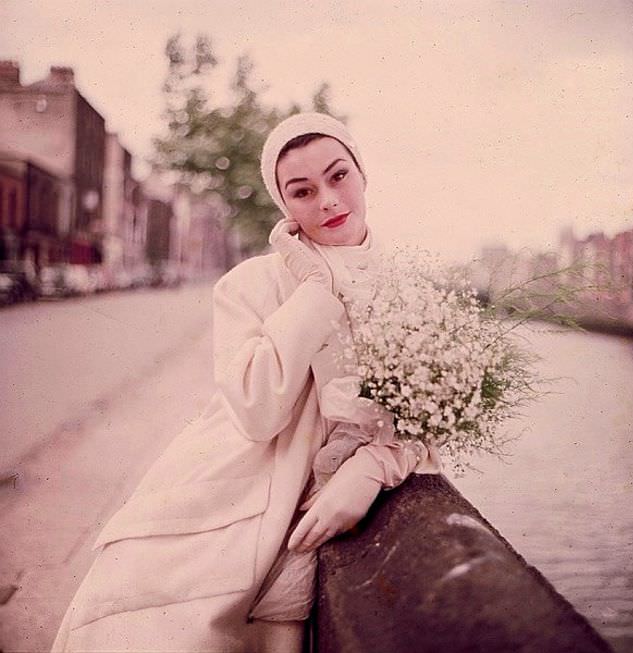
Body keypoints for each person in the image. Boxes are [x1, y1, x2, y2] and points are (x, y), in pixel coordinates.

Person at [50, 112, 441, 653]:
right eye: (301, 191)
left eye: (338, 176)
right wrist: (316, 289)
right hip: (231, 497)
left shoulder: (413, 291)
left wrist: (373, 469)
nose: (327, 200)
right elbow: (258, 412)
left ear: (363, 174)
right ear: (283, 206)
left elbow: (437, 414)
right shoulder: (249, 284)